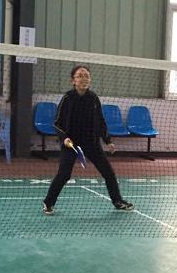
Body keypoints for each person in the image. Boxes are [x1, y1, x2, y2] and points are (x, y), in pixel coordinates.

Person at [42, 65, 134, 215]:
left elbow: (100, 121)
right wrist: (64, 138)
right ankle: (48, 202)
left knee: (108, 173)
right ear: (73, 81)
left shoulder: (93, 98)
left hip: (91, 143)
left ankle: (117, 201)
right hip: (71, 144)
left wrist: (108, 141)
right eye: (80, 76)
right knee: (64, 174)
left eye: (86, 76)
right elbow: (57, 123)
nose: (83, 79)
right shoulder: (68, 98)